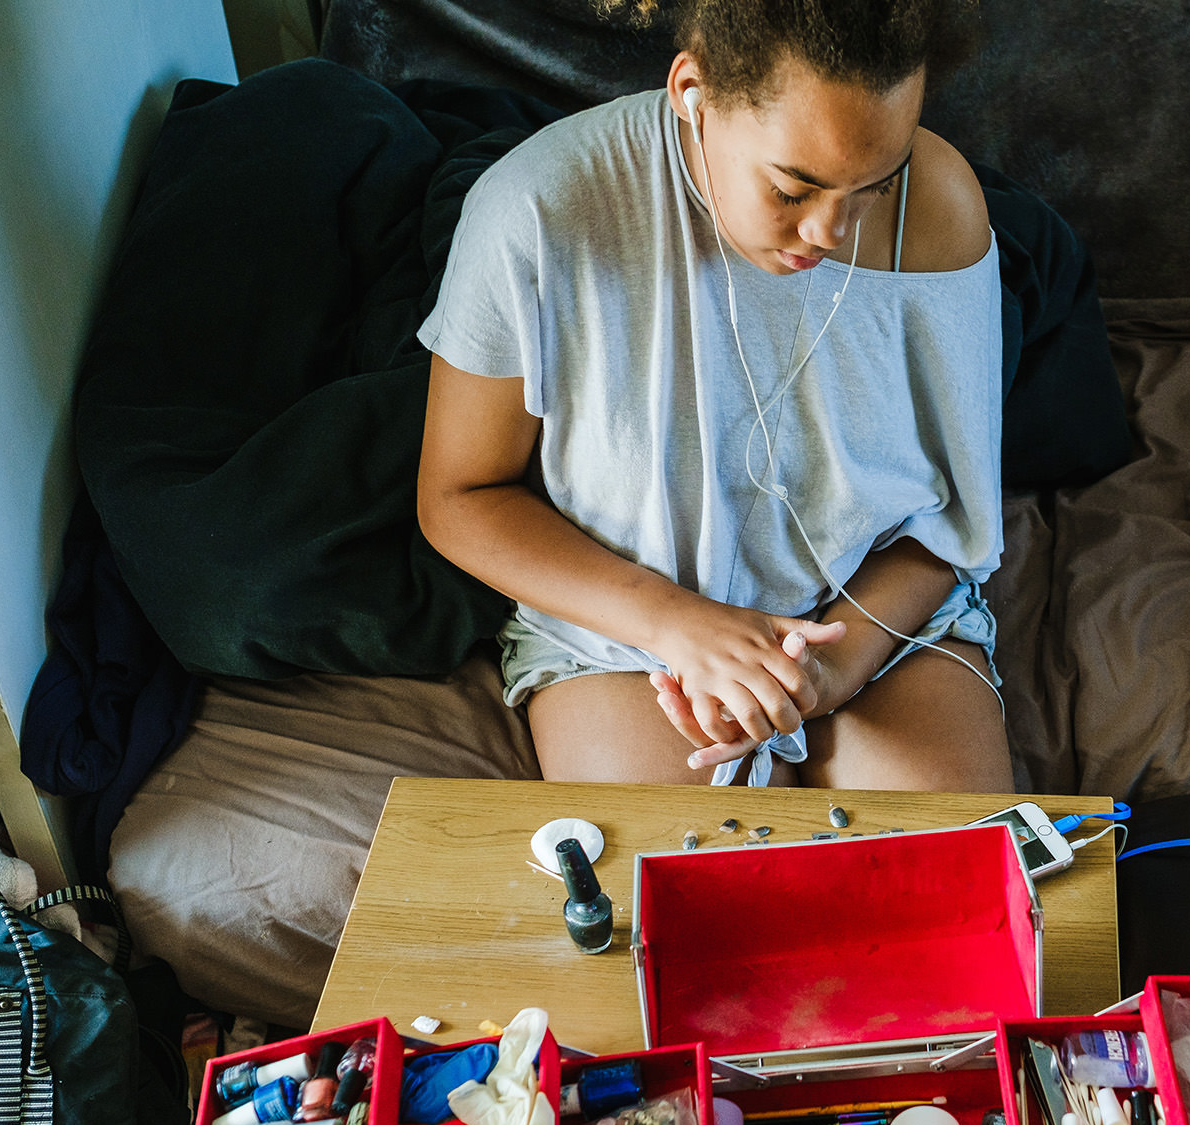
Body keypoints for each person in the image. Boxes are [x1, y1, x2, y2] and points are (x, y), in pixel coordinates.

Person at [417, 0, 1014, 791]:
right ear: (692, 91)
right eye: (793, 189)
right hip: (629, 641)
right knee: (691, 900)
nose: (830, 232)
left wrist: (831, 672)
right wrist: (676, 624)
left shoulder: (941, 208)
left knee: (952, 892)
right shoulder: (534, 212)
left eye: (873, 186)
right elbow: (459, 495)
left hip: (876, 620)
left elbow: (949, 524)